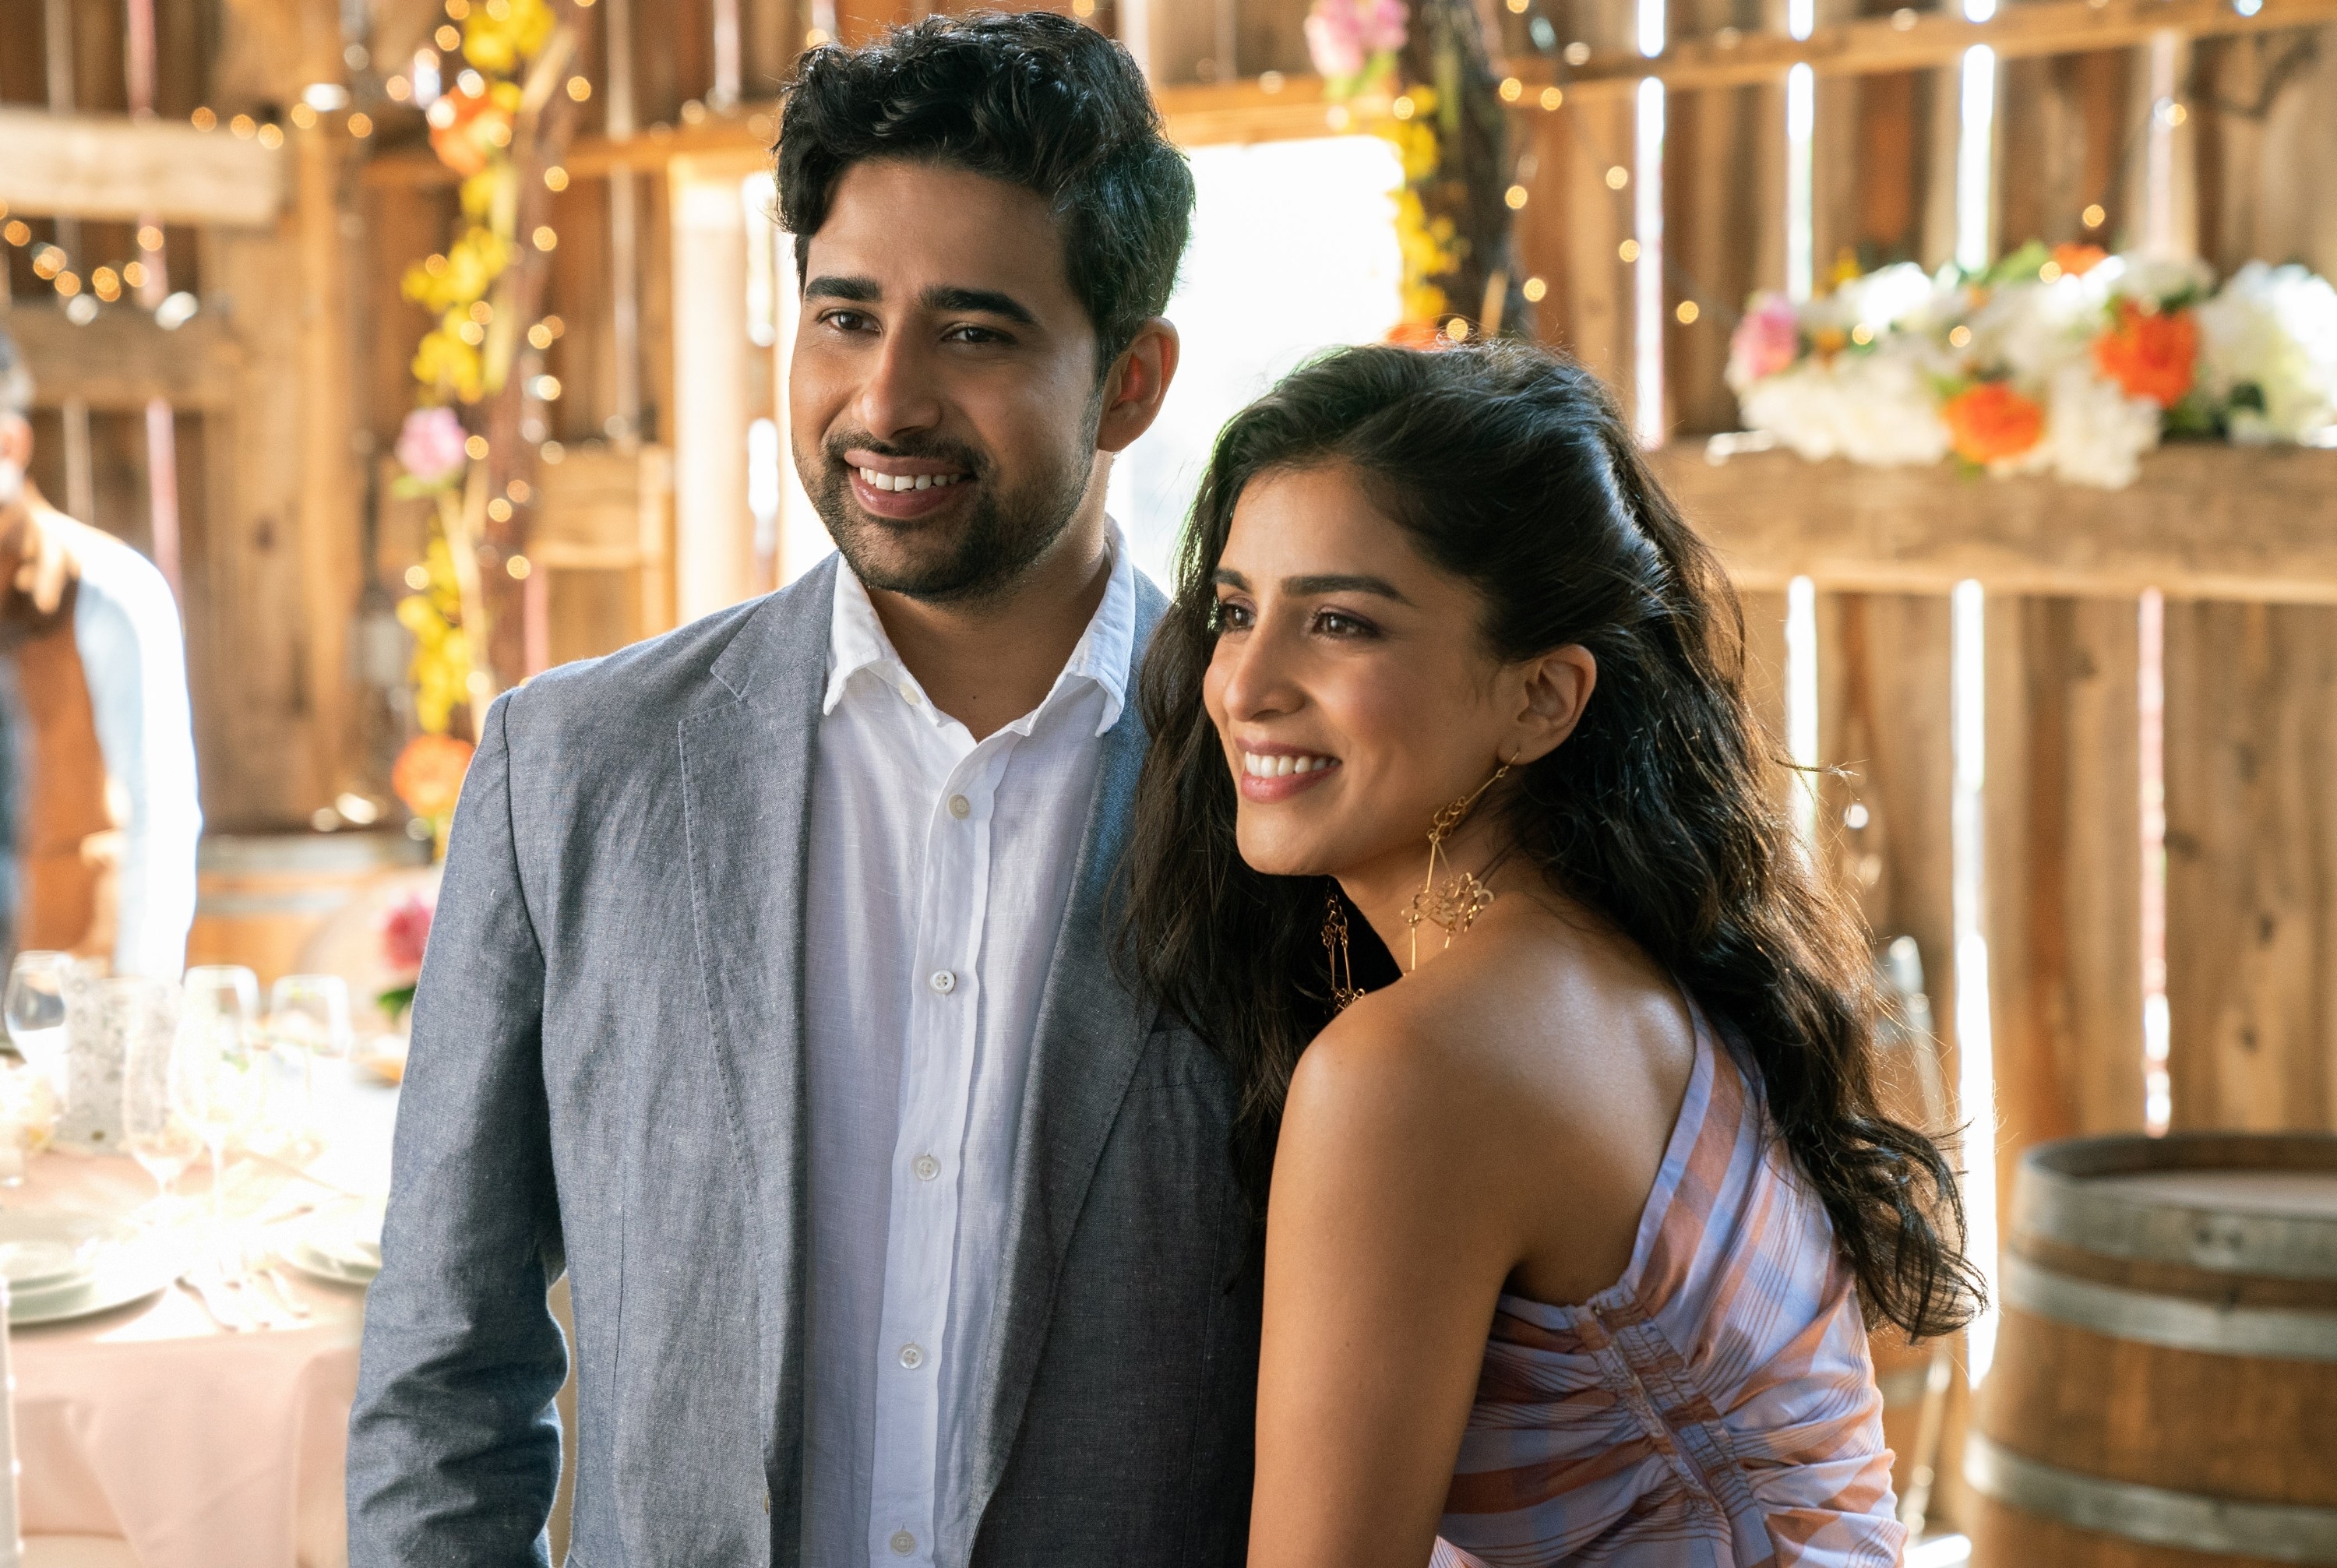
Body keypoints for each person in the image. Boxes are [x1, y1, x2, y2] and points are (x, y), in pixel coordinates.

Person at [349, 14, 1266, 1566]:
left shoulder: (1277, 797)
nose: (885, 398)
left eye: (975, 332)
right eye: (844, 314)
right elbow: (447, 1372)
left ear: (1131, 380)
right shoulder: (568, 769)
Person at [1126, 341, 1981, 1568]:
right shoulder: (1616, 966)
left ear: (1541, 698)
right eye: (1236, 611)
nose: (1246, 685)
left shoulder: (1416, 1070)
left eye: (1341, 622)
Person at [0, 325, 199, 978]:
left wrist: (134, 1029)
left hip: (67, 1004)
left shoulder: (107, 589)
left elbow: (161, 819)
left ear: (11, 443)